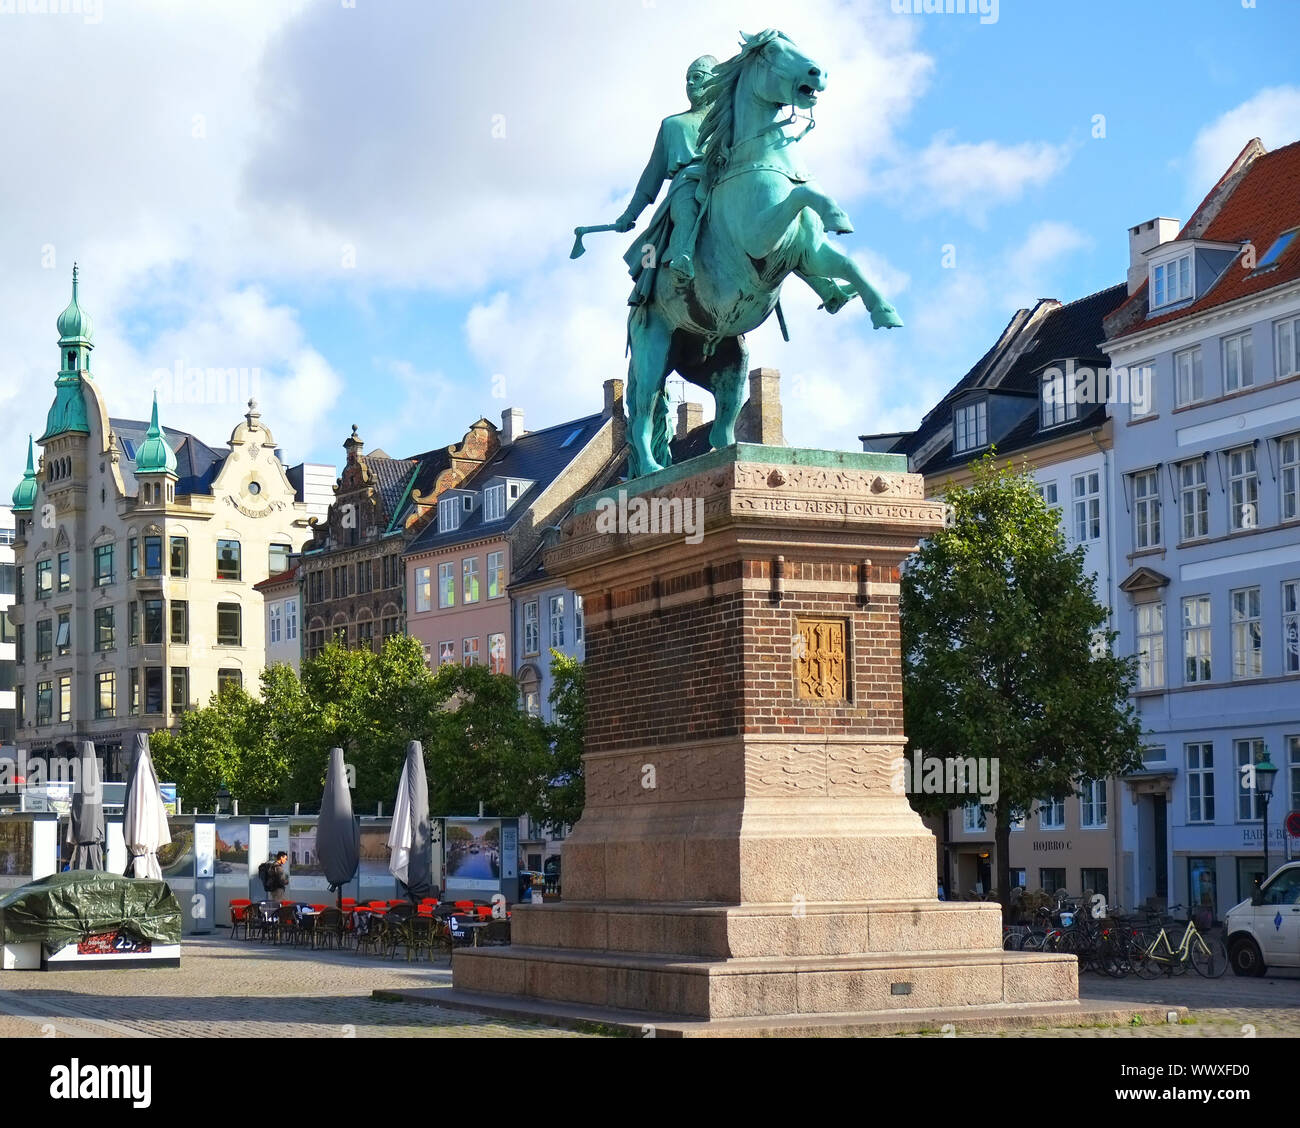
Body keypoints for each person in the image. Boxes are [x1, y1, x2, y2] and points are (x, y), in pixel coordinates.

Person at [618, 54, 718, 301]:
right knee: (685, 213)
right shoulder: (673, 125)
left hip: (724, 177)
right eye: (688, 79)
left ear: (715, 81)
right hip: (686, 183)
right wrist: (630, 214)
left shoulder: (730, 118)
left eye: (698, 77)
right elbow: (651, 175)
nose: (691, 84)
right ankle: (682, 259)